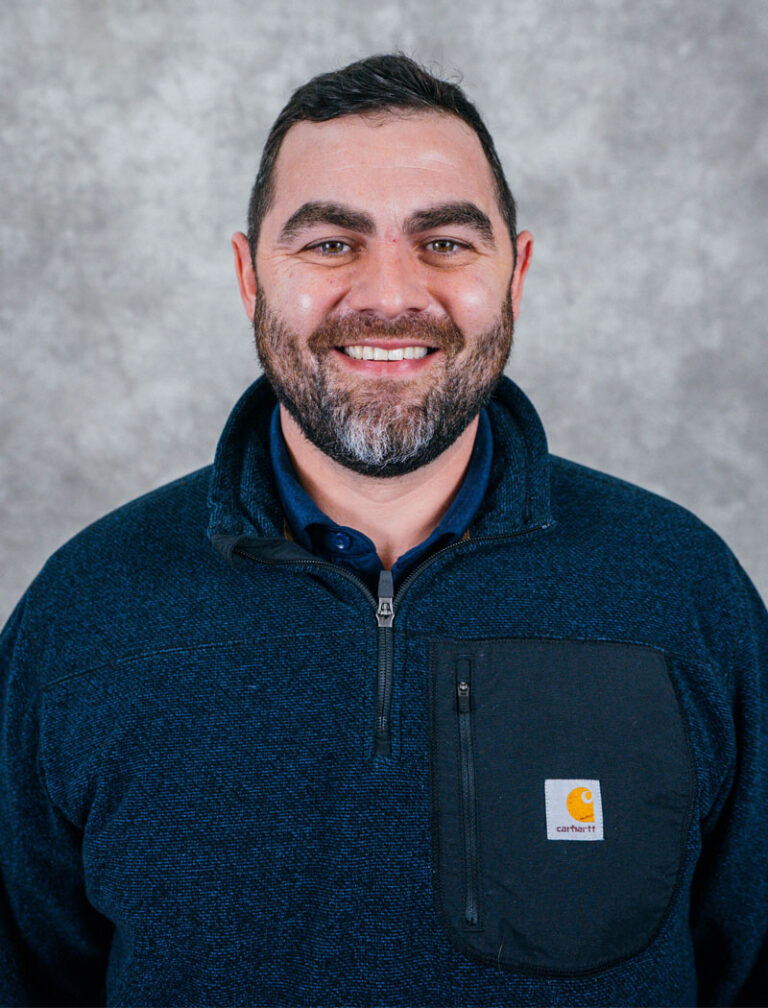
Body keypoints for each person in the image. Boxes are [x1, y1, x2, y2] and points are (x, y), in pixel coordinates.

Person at [1, 52, 766, 1008]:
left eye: (446, 242)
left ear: (516, 272)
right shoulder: (84, 615)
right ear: (250, 276)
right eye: (330, 244)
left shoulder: (685, 595)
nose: (390, 294)